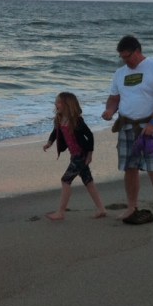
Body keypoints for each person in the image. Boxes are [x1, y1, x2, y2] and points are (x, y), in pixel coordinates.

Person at [101, 36, 153, 223]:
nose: (126, 61)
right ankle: (131, 207)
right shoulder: (119, 73)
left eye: (128, 57)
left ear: (137, 51)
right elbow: (114, 98)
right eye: (122, 58)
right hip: (127, 126)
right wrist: (109, 110)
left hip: (150, 127)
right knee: (130, 168)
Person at [42, 92, 108, 220]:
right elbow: (56, 132)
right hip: (74, 155)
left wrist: (90, 153)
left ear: (68, 105)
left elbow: (89, 135)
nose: (56, 104)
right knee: (88, 181)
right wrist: (50, 143)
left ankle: (61, 212)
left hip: (81, 155)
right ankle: (101, 209)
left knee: (65, 180)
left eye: (59, 102)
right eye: (56, 102)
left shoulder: (76, 120)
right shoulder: (60, 118)